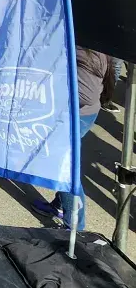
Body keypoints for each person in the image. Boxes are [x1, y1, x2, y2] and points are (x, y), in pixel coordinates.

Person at [32, 48, 113, 230]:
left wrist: (50, 84)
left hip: (76, 117)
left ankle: (75, 229)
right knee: (61, 165)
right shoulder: (84, 45)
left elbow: (86, 94)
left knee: (63, 170)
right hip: (72, 115)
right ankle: (61, 205)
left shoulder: (85, 50)